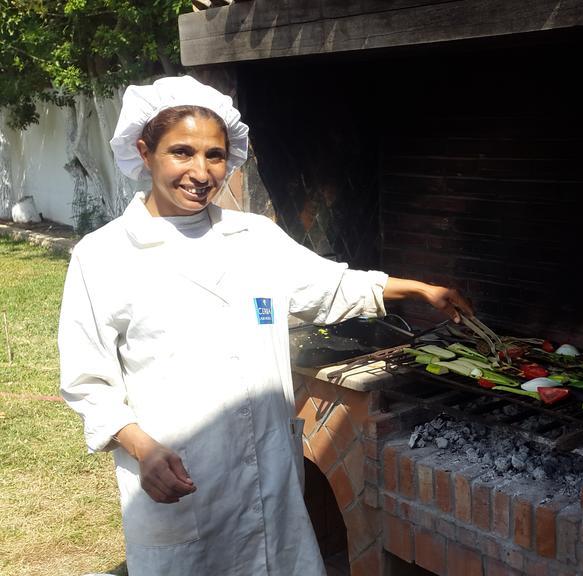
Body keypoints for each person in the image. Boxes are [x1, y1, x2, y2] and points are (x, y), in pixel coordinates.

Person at [58, 75, 472, 575]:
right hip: (181, 471)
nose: (200, 171)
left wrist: (419, 289)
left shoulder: (254, 236)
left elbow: (329, 286)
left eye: (214, 155)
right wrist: (142, 449)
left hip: (268, 473)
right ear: (145, 153)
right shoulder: (104, 256)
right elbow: (87, 380)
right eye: (182, 152)